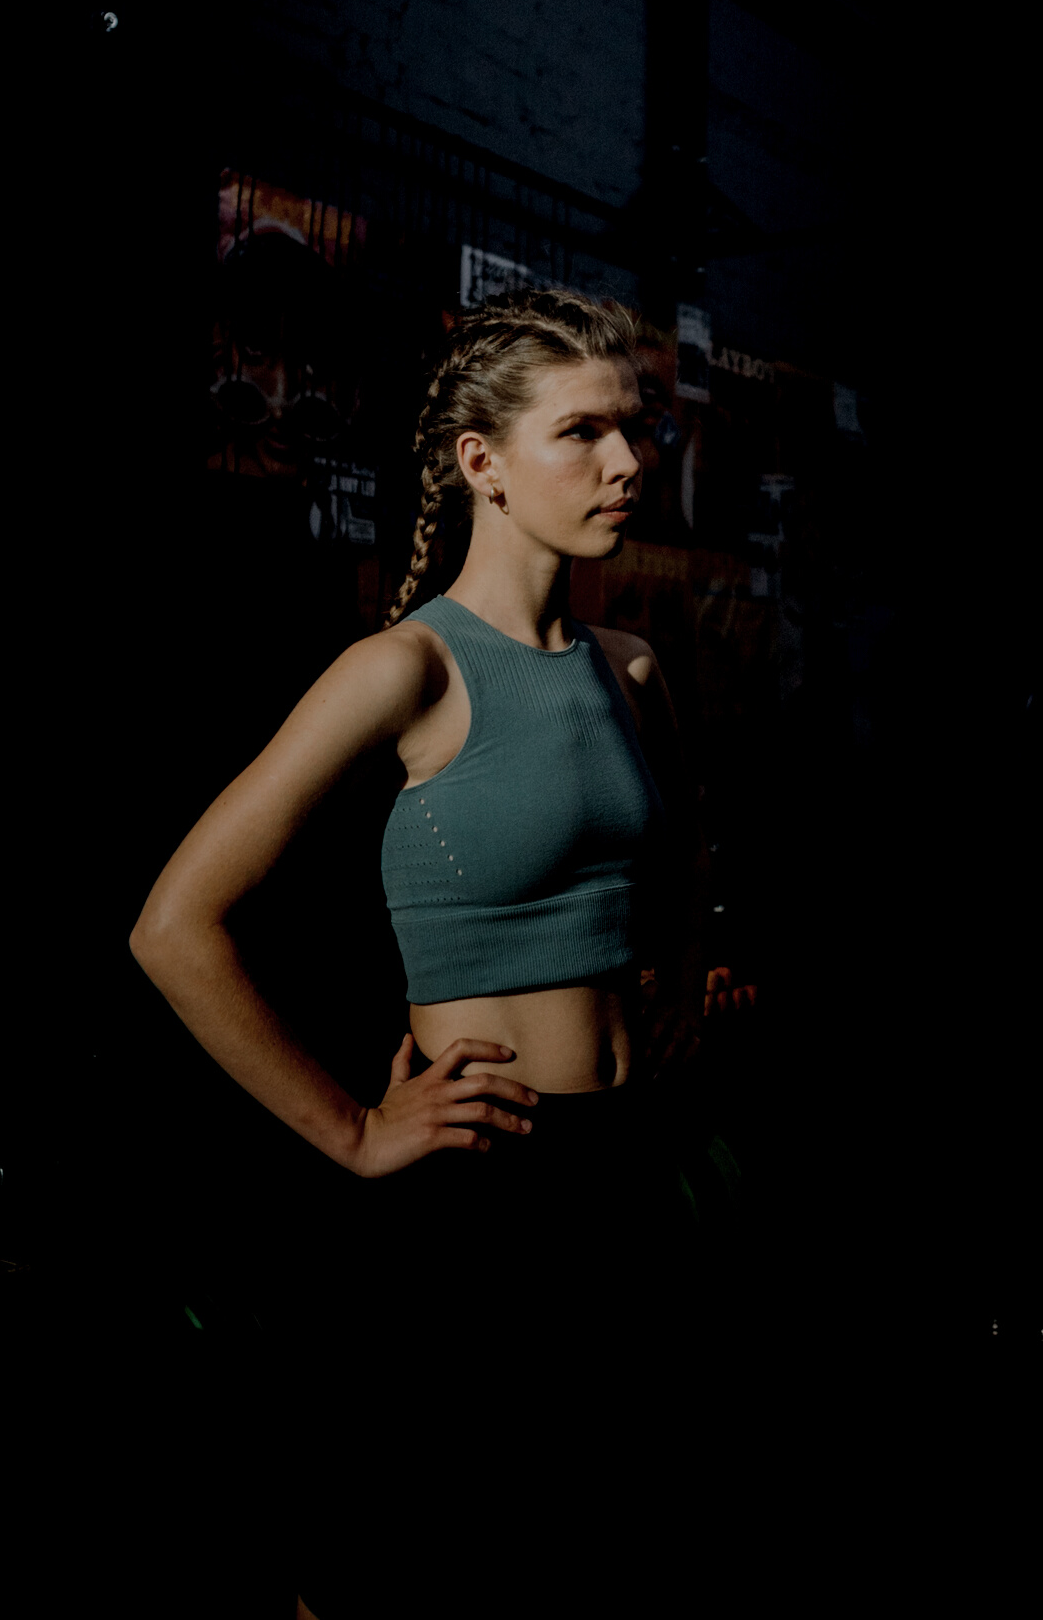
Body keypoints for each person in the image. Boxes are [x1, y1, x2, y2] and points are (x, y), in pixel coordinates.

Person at [131, 288, 717, 1618]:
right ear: (481, 465)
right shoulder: (404, 672)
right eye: (582, 433)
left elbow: (682, 858)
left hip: (633, 1167)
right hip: (483, 1185)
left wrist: (677, 987)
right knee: (432, 1567)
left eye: (633, 434)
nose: (628, 464)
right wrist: (349, 1131)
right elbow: (174, 927)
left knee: (626, 1550)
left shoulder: (630, 669)